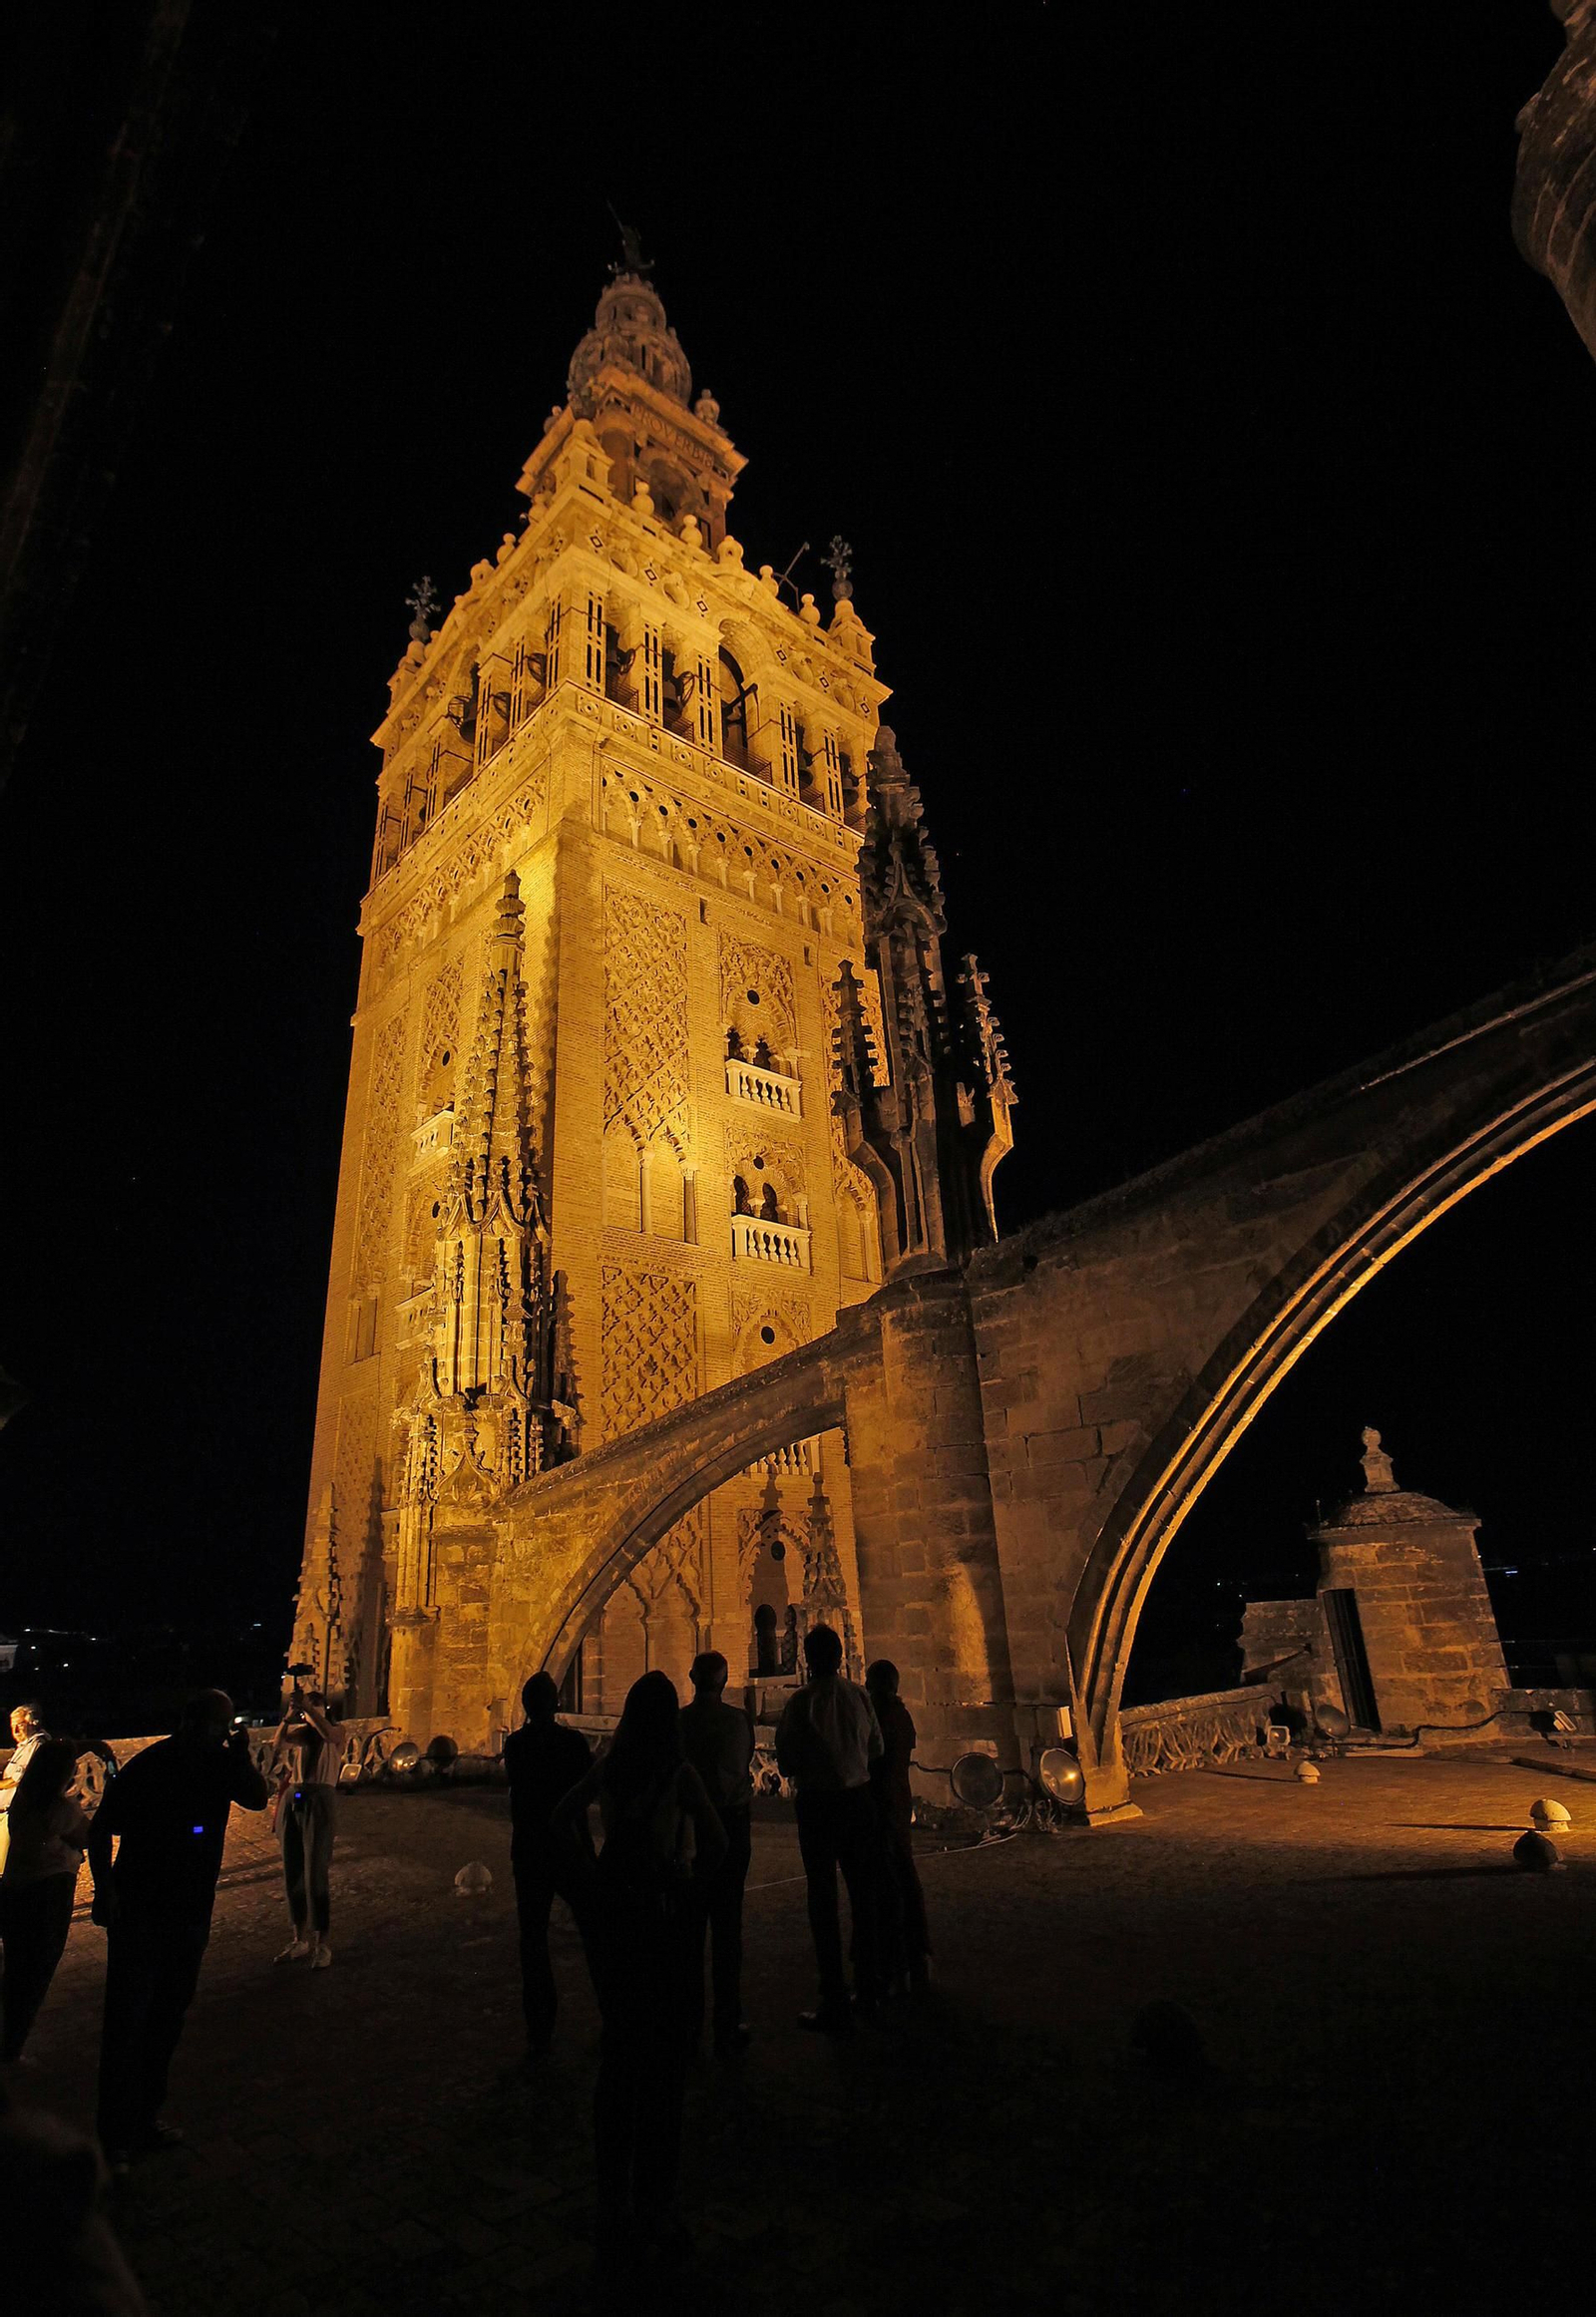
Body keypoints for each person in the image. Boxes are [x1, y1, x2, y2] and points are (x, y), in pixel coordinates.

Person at [553, 1671, 726, 2266]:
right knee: (664, 2067)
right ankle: (656, 2206)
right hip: (660, 1914)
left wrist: (586, 1880)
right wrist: (692, 1889)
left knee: (620, 2057)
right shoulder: (677, 1773)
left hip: (614, 1911)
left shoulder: (611, 1767)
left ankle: (611, 2203)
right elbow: (720, 1844)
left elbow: (559, 1818)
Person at [88, 1689, 267, 2170]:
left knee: (163, 2016)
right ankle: (117, 2136)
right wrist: (105, 1890)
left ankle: (137, 2124)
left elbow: (256, 1797)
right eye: (221, 1725)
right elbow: (102, 1827)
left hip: (180, 1911)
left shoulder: (203, 1763)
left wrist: (241, 1759)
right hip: (148, 1910)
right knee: (135, 2021)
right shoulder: (158, 1764)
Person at [774, 1623, 883, 2033]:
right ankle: (869, 1988)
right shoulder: (859, 1696)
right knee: (863, 1893)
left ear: (806, 1657)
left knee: (822, 1898)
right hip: (859, 1800)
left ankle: (834, 1995)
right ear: (841, 1657)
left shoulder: (801, 1703)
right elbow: (877, 1748)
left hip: (819, 1805)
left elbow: (785, 1762)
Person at [502, 1672, 593, 2060]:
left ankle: (539, 2026)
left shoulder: (516, 1745)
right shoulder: (573, 1743)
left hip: (530, 1849)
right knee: (593, 1931)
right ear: (556, 1703)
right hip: (568, 1846)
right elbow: (583, 1796)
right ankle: (612, 2008)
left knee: (533, 1939)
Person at [678, 1652, 754, 2056]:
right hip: (732, 1827)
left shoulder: (680, 1722)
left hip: (693, 1831)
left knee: (690, 1929)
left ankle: (691, 2023)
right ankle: (729, 2018)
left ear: (692, 1678)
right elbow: (745, 1763)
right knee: (729, 1927)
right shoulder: (739, 1721)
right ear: (724, 1682)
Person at [0, 1737, 90, 2063]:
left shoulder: (23, 1799)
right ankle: (11, 2048)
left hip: (14, 1888)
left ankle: (7, 2040)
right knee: (36, 1972)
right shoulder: (61, 1809)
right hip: (49, 1894)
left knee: (15, 1971)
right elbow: (87, 1836)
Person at [864, 1659, 931, 1992]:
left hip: (881, 1805)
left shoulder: (878, 1717)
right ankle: (918, 1954)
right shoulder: (902, 1715)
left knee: (886, 1881)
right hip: (898, 1801)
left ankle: (894, 1961)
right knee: (904, 1874)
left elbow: (871, 1757)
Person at [269, 1684, 342, 1969]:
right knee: (293, 1870)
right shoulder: (302, 1734)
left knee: (316, 1872)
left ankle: (322, 1942)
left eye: (315, 1706)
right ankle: (299, 1938)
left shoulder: (336, 1733)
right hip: (295, 1797)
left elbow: (327, 1733)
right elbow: (278, 1743)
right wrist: (289, 1717)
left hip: (320, 1798)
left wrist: (310, 1710)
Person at [1, 1703, 49, 1813]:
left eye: (20, 1725)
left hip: (15, 1813)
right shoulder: (24, 1745)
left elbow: (18, 1779)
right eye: (13, 1726)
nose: (15, 1731)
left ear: (33, 1723)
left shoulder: (36, 1745)